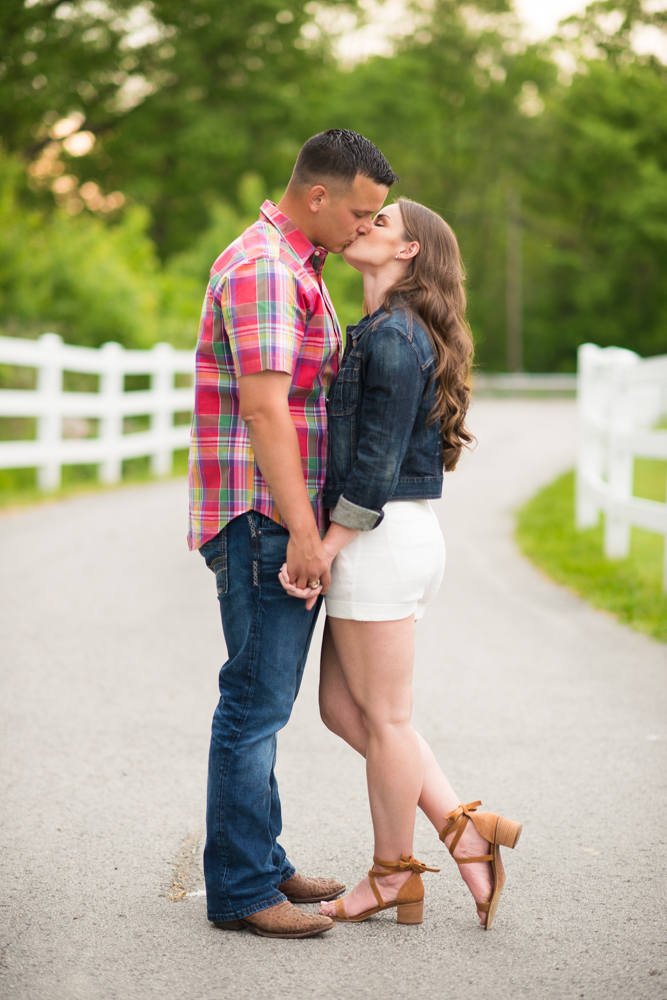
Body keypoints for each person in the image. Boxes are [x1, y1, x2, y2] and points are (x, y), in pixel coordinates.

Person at [281, 198, 522, 930]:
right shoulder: (382, 332)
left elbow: (376, 470)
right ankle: (460, 825)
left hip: (377, 540)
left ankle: (391, 876)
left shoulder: (392, 338)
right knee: (343, 710)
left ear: (409, 252)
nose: (363, 225)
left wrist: (322, 548)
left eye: (380, 222)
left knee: (385, 721)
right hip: (390, 538)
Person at [187, 130, 399, 939]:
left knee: (261, 701)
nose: (362, 227)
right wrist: (304, 532)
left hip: (277, 516)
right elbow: (267, 409)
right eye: (359, 211)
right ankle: (241, 890)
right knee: (252, 706)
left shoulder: (293, 263)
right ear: (317, 196)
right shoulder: (266, 270)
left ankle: (262, 862)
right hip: (264, 520)